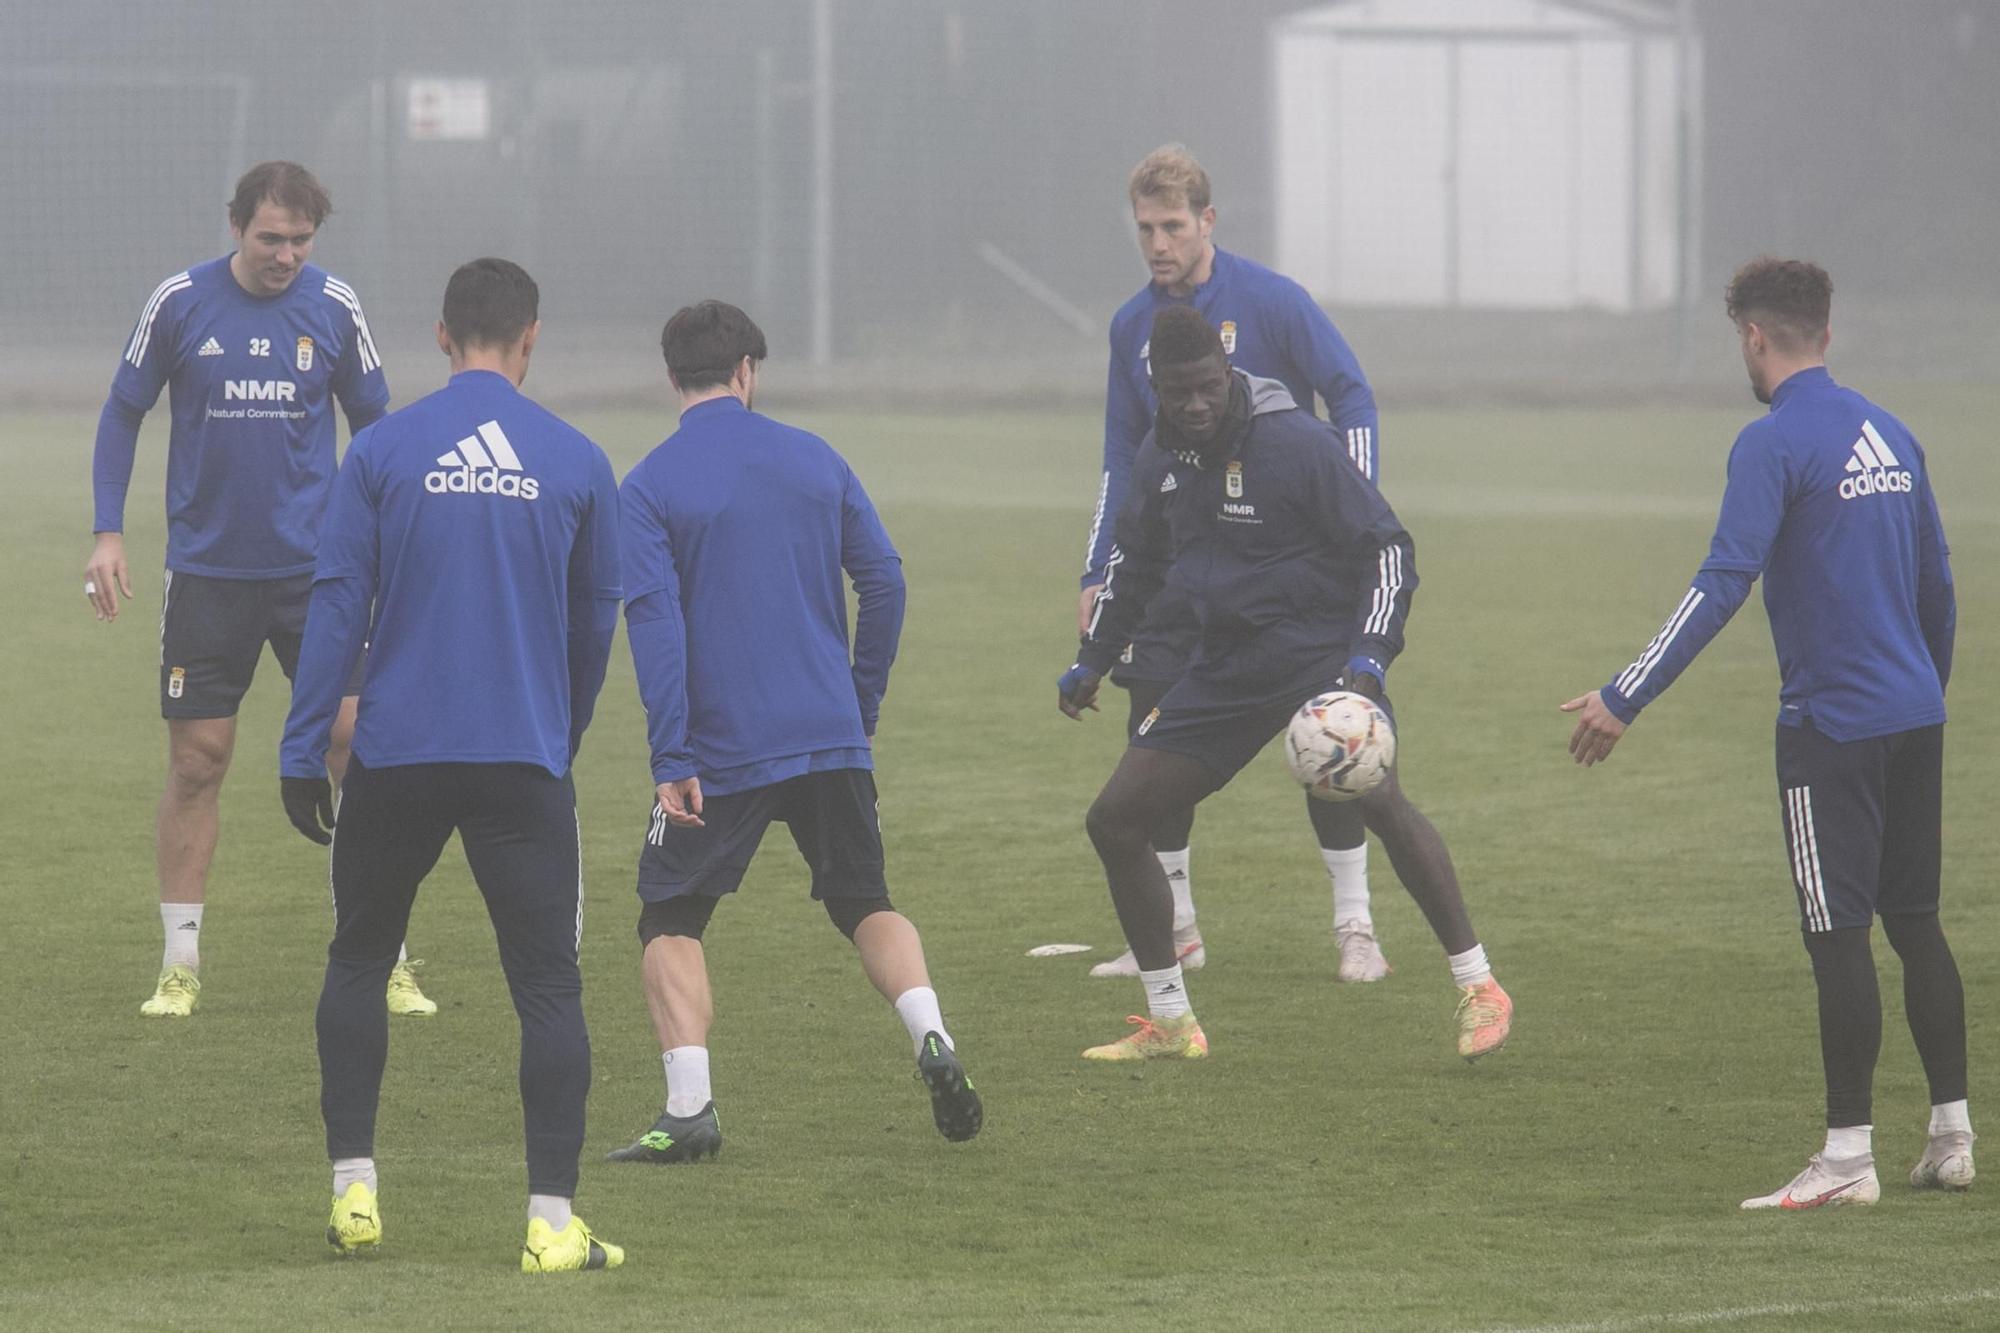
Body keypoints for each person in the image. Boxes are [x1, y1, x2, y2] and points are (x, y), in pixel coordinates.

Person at [1562, 258, 1972, 1210]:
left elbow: (1720, 581)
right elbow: (1938, 583)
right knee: (1916, 923)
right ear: (1825, 331)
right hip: (1916, 714)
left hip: (1832, 725)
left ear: (1752, 336)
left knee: (1839, 934)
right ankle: (1952, 1134)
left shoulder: (1771, 441)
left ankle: (1846, 1160)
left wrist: (1624, 694)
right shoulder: (1892, 430)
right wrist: (1922, 690)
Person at [280, 258, 625, 1270]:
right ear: (530, 338)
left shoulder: (384, 450)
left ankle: (354, 1195)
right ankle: (551, 1223)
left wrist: (306, 747)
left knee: (356, 956)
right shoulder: (575, 458)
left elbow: (338, 601)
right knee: (548, 989)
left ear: (439, 336)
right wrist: (559, 730)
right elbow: (593, 623)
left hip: (395, 757)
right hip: (520, 755)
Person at [1059, 305, 1512, 1063]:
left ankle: (1479, 985)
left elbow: (1388, 549)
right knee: (1115, 820)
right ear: (1158, 391)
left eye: (1208, 387)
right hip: (1229, 666)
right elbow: (1136, 567)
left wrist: (1367, 659)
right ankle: (1172, 1024)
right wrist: (1094, 658)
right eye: (1179, 394)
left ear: (1228, 374)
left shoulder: (1296, 443)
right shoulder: (1160, 457)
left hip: (1321, 657)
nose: (1197, 406)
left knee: (1378, 800)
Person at [606, 300, 981, 1165]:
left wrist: (672, 754)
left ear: (673, 378)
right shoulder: (816, 457)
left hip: (721, 746)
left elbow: (654, 623)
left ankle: (689, 1107)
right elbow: (884, 583)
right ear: (747, 371)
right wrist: (861, 704)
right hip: (828, 732)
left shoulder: (651, 485)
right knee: (866, 903)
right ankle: (934, 1037)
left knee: (670, 914)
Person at [86, 160, 435, 1020]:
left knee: (354, 746)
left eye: (301, 240)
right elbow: (123, 408)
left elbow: (376, 425)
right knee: (199, 762)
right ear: (236, 228)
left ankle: (386, 955)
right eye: (270, 238)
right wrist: (108, 531)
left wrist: (382, 535)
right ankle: (180, 963)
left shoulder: (335, 307)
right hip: (206, 577)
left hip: (321, 577)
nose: (286, 255)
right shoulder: (179, 303)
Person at [1078, 144, 1391, 983]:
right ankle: (1177, 927)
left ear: (1207, 221)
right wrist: (1096, 572)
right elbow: (1122, 457)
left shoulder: (1272, 300)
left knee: (1331, 739)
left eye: (1173, 225)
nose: (1158, 243)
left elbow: (1350, 390)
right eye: (1144, 227)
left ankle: (1355, 923)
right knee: (1154, 728)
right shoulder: (1128, 327)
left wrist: (1355, 495)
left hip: (1287, 571)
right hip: (1180, 574)